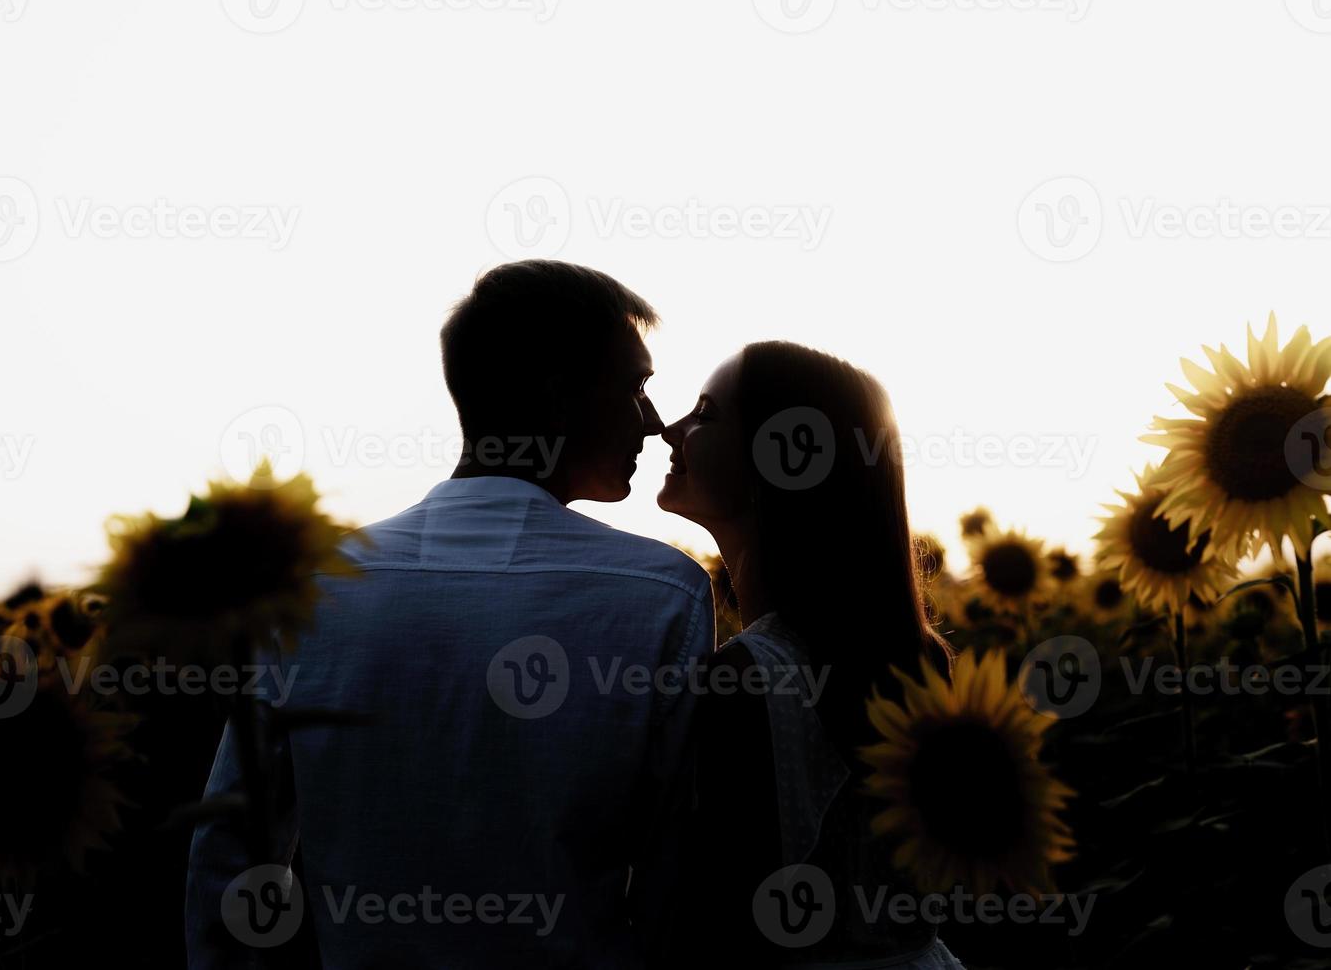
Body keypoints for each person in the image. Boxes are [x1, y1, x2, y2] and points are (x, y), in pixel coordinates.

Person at [184, 260, 715, 968]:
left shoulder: (310, 586)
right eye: (634, 388)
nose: (651, 424)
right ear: (559, 399)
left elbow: (233, 854)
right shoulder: (660, 594)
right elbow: (671, 880)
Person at [657, 341, 964, 968]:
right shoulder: (921, 657)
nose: (671, 429)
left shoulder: (743, 681)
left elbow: (709, 928)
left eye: (706, 414)